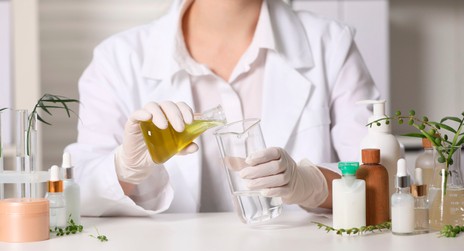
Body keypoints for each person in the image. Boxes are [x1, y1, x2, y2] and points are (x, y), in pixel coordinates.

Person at [66, 0, 379, 216]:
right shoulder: (117, 61)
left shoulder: (330, 44)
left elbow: (379, 181)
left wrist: (311, 184)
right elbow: (76, 196)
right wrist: (125, 169)